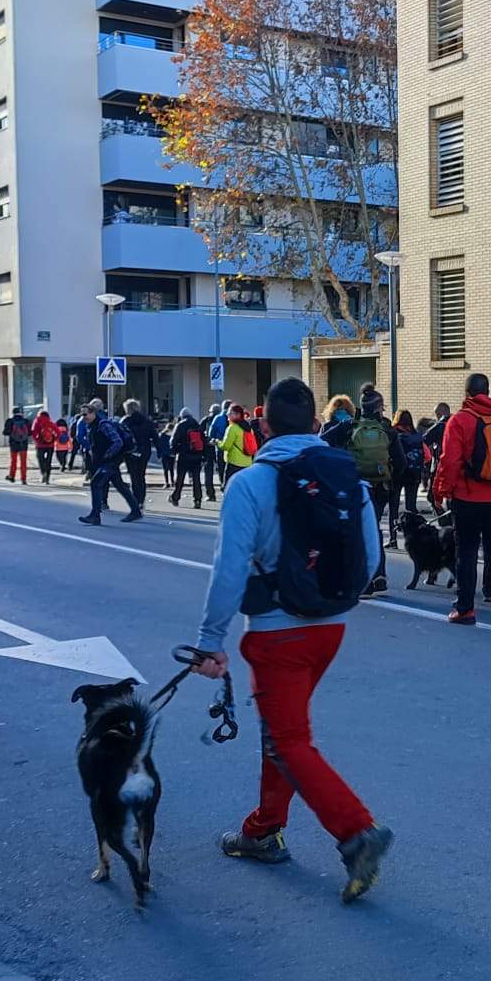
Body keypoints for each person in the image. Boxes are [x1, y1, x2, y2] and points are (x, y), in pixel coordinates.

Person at [187, 376, 394, 903]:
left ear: (263, 425)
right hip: (331, 629)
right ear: (317, 425)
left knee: (290, 741)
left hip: (279, 636)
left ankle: (357, 833)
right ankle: (262, 829)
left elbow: (229, 569)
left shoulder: (251, 483)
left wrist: (210, 641)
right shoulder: (347, 475)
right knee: (282, 732)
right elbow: (371, 561)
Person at [432, 373, 491, 628]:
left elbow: (449, 461)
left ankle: (465, 609)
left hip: (467, 497)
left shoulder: (460, 421)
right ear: (488, 392)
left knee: (467, 552)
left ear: (467, 394)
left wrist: (441, 490)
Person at [322, 393, 403, 596]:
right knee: (374, 527)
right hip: (380, 486)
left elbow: (320, 442)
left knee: (358, 530)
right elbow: (402, 463)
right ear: (379, 408)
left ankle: (364, 580)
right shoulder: (386, 428)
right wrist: (388, 474)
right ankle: (380, 573)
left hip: (354, 485)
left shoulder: (348, 426)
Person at [78, 401, 142, 526]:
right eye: (82, 415)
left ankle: (95, 515)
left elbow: (117, 442)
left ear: (93, 413)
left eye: (85, 414)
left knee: (96, 483)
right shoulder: (91, 426)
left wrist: (108, 455)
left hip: (109, 461)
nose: (83, 417)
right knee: (120, 486)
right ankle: (136, 511)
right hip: (105, 461)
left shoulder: (103, 425)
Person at [168, 407, 209, 510]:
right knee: (196, 479)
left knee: (180, 478)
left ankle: (175, 497)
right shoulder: (197, 425)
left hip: (183, 456)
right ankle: (197, 500)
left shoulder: (180, 425)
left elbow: (173, 441)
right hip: (197, 456)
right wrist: (204, 455)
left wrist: (174, 451)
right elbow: (204, 441)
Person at [120, 399, 155, 507]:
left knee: (134, 476)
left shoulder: (125, 421)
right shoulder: (147, 421)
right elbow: (154, 436)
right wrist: (160, 450)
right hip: (145, 451)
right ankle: (141, 499)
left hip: (130, 452)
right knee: (141, 475)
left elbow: (120, 437)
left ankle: (136, 499)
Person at [394, 410, 428, 515]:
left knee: (394, 504)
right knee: (411, 505)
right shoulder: (417, 436)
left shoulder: (394, 434)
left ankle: (393, 528)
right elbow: (427, 456)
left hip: (397, 473)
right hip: (414, 473)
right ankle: (412, 528)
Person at [200, 401, 225, 501]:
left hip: (207, 447)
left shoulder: (206, 419)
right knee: (221, 470)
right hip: (219, 447)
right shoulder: (222, 419)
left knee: (208, 472)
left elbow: (199, 432)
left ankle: (210, 494)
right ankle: (223, 489)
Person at [2, 406, 32, 484]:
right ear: (21, 413)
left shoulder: (10, 421)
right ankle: (23, 479)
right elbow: (30, 433)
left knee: (14, 461)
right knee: (23, 462)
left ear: (13, 413)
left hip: (13, 443)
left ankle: (12, 476)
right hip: (24, 444)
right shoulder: (26, 421)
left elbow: (5, 432)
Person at [31, 407, 60, 484]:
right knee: (48, 461)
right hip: (50, 444)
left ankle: (43, 472)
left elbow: (33, 432)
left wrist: (37, 441)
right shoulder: (49, 421)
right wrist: (54, 440)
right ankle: (47, 477)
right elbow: (58, 432)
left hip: (40, 445)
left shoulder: (37, 421)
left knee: (40, 459)